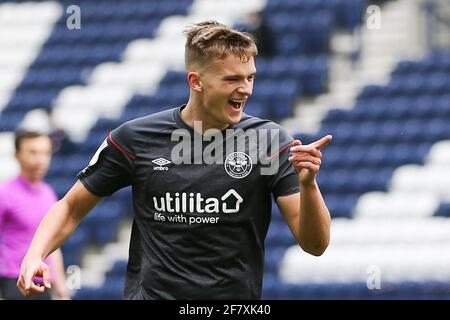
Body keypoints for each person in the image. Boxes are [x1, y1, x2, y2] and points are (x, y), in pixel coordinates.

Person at [17, 20, 332, 300]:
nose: (245, 89)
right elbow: (71, 207)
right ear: (195, 81)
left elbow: (315, 245)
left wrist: (309, 186)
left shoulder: (270, 141)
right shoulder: (134, 139)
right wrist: (35, 255)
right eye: (232, 79)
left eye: (250, 77)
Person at [0, 130, 70, 300]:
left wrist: (61, 286)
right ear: (17, 155)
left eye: (45, 153)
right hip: (13, 280)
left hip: (42, 282)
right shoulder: (4, 193)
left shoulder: (48, 194)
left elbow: (53, 244)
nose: (40, 159)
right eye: (33, 152)